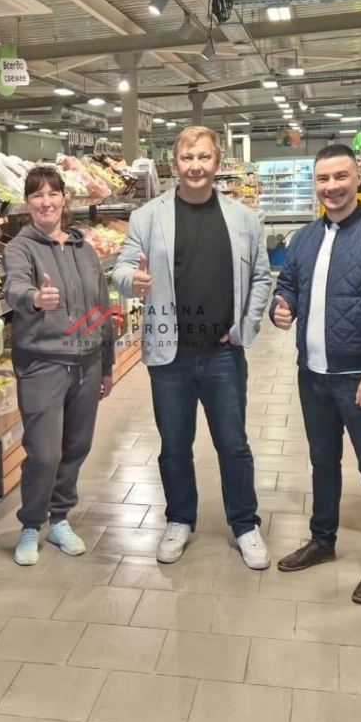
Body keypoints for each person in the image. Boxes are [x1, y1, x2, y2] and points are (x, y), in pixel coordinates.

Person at [113, 125, 272, 569]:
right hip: (170, 355)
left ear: (217, 162)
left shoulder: (243, 218)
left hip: (224, 354)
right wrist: (131, 280)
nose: (196, 166)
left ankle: (245, 524)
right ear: (175, 163)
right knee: (174, 445)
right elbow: (122, 268)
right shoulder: (148, 217)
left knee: (233, 444)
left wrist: (244, 326)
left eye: (204, 157)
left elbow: (261, 277)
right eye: (187, 158)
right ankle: (179, 519)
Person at [270, 143, 361, 604]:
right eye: (323, 178)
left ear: (358, 179)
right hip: (312, 372)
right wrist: (282, 305)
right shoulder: (304, 238)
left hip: (359, 377)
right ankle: (323, 540)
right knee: (322, 461)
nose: (331, 186)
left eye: (340, 176)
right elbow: (289, 284)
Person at [3, 166, 116, 565]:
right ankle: (31, 525)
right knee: (44, 452)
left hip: (87, 363)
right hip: (43, 365)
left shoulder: (84, 248)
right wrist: (35, 298)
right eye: (37, 195)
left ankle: (59, 518)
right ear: (27, 202)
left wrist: (107, 364)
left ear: (64, 198)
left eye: (53, 193)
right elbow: (14, 287)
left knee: (76, 447)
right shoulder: (20, 248)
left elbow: (102, 306)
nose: (46, 202)